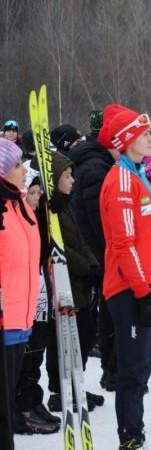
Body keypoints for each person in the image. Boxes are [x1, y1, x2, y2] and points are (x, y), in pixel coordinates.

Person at [98, 104, 151, 449]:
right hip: (129, 287)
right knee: (134, 371)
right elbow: (124, 244)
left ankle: (134, 433)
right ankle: (130, 437)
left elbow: (146, 236)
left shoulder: (136, 174)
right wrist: (142, 291)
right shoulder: (121, 179)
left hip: (145, 283)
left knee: (142, 369)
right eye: (146, 134)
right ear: (128, 140)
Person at [45, 152, 105, 413]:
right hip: (65, 283)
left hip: (80, 282)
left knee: (83, 332)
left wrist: (94, 265)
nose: (72, 180)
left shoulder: (65, 205)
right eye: (67, 176)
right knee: (63, 339)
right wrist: (85, 266)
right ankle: (60, 389)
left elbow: (79, 240)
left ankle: (75, 383)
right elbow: (60, 248)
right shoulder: (48, 210)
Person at [68, 109, 119, 392]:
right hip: (98, 253)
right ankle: (111, 370)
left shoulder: (97, 162)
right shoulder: (95, 167)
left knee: (104, 313)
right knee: (106, 312)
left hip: (97, 252)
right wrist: (108, 253)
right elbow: (98, 219)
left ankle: (112, 368)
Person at [0, 138, 41, 449]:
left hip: (21, 317)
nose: (22, 170)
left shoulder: (21, 204)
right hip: (4, 319)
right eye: (16, 165)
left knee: (7, 402)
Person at [15, 176, 60, 435]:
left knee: (37, 352)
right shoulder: (19, 220)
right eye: (31, 193)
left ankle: (34, 399)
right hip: (23, 299)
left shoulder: (37, 219)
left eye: (38, 193)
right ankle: (22, 406)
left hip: (40, 292)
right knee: (26, 355)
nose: (35, 198)